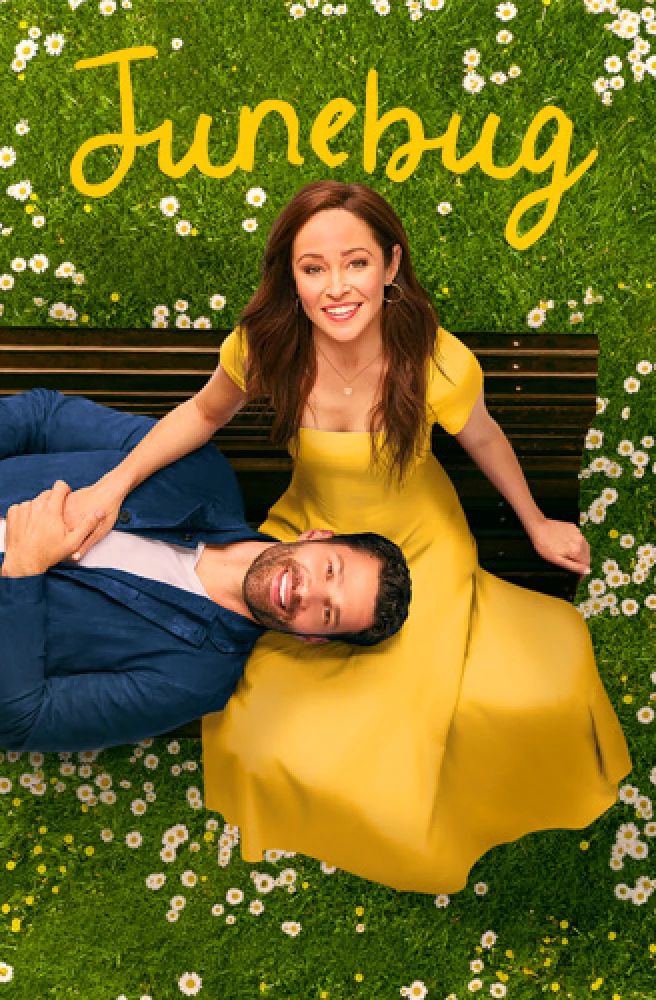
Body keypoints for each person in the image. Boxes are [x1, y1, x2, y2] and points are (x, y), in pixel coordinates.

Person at [62, 180, 632, 894]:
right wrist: (113, 486)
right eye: (313, 267)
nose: (337, 287)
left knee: (427, 708)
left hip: (419, 538)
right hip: (314, 534)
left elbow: (484, 438)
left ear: (391, 266)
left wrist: (538, 522)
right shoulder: (264, 346)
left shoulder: (436, 361)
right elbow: (201, 416)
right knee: (262, 708)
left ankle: (411, 816)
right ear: (290, 277)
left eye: (355, 263)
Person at [0, 387, 411, 753]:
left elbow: (23, 719)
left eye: (327, 613)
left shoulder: (194, 680)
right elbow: (44, 418)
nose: (308, 592)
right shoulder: (197, 472)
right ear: (317, 536)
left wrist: (23, 571)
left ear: (312, 637)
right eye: (329, 570)